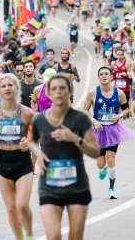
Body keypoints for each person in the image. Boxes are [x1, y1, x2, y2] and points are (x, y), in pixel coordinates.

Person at [30, 74, 101, 240]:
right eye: (54, 89)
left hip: (76, 186)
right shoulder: (40, 120)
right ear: (47, 92)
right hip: (49, 186)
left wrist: (75, 139)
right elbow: (32, 141)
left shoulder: (80, 119)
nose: (59, 92)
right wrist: (38, 152)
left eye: (63, 88)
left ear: (70, 91)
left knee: (75, 237)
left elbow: (96, 151)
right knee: (53, 236)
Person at [0, 74, 37, 240]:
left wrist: (28, 143)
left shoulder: (27, 113)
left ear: (16, 88)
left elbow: (37, 137)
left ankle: (30, 235)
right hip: (3, 160)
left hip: (22, 162)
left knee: (22, 205)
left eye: (10, 85)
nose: (7, 88)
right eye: (3, 86)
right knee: (11, 208)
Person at [82, 66, 134, 199]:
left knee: (111, 158)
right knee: (100, 163)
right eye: (101, 74)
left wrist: (119, 116)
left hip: (113, 130)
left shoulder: (119, 93)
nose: (104, 76)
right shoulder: (92, 93)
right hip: (98, 130)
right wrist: (94, 121)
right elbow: (85, 110)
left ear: (112, 76)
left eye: (106, 74)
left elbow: (126, 109)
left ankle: (111, 188)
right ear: (98, 77)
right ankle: (104, 169)